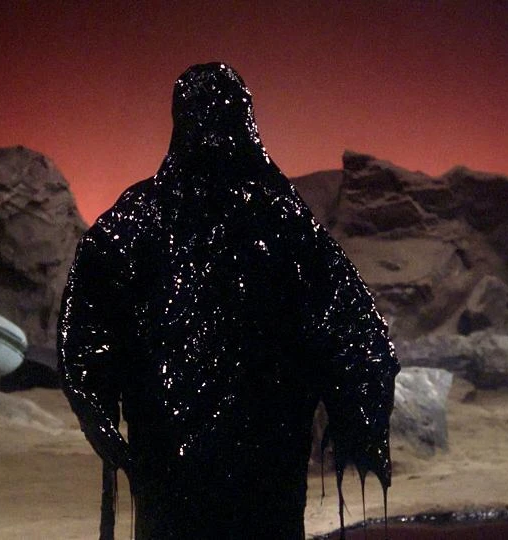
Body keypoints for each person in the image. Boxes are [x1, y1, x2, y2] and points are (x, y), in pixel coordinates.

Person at [57, 62, 400, 539]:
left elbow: (84, 331)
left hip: (181, 468)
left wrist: (99, 414)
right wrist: (357, 414)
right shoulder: (287, 221)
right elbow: (360, 336)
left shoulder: (137, 220)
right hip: (259, 467)